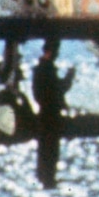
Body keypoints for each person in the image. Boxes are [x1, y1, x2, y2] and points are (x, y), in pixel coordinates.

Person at [31, 38, 74, 188]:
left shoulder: (42, 69)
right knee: (50, 147)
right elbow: (57, 89)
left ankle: (45, 175)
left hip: (47, 112)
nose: (56, 54)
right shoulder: (46, 70)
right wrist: (68, 79)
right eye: (55, 51)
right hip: (50, 112)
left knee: (46, 146)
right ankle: (47, 177)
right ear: (49, 51)